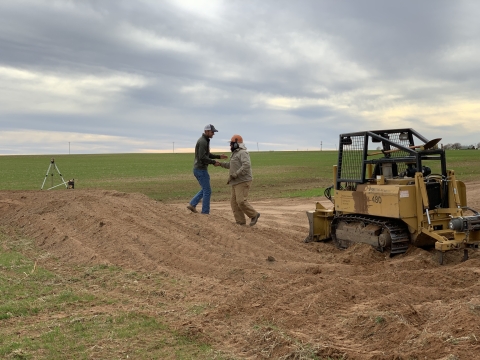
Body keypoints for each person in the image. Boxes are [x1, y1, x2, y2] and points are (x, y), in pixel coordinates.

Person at [219, 134, 260, 226]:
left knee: (241, 201)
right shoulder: (235, 153)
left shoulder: (243, 153)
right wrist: (220, 164)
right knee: (234, 203)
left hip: (243, 180)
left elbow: (246, 165)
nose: (230, 146)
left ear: (237, 144)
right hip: (235, 181)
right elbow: (231, 165)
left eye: (231, 143)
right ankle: (240, 222)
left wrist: (236, 174)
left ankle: (254, 215)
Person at [187, 124, 228, 214]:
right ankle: (205, 212)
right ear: (206, 131)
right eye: (212, 132)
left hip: (199, 169)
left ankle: (192, 204)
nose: (213, 133)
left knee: (205, 189)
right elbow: (202, 157)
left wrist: (219, 156)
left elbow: (207, 154)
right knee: (207, 190)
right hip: (200, 169)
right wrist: (213, 162)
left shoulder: (205, 140)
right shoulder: (203, 141)